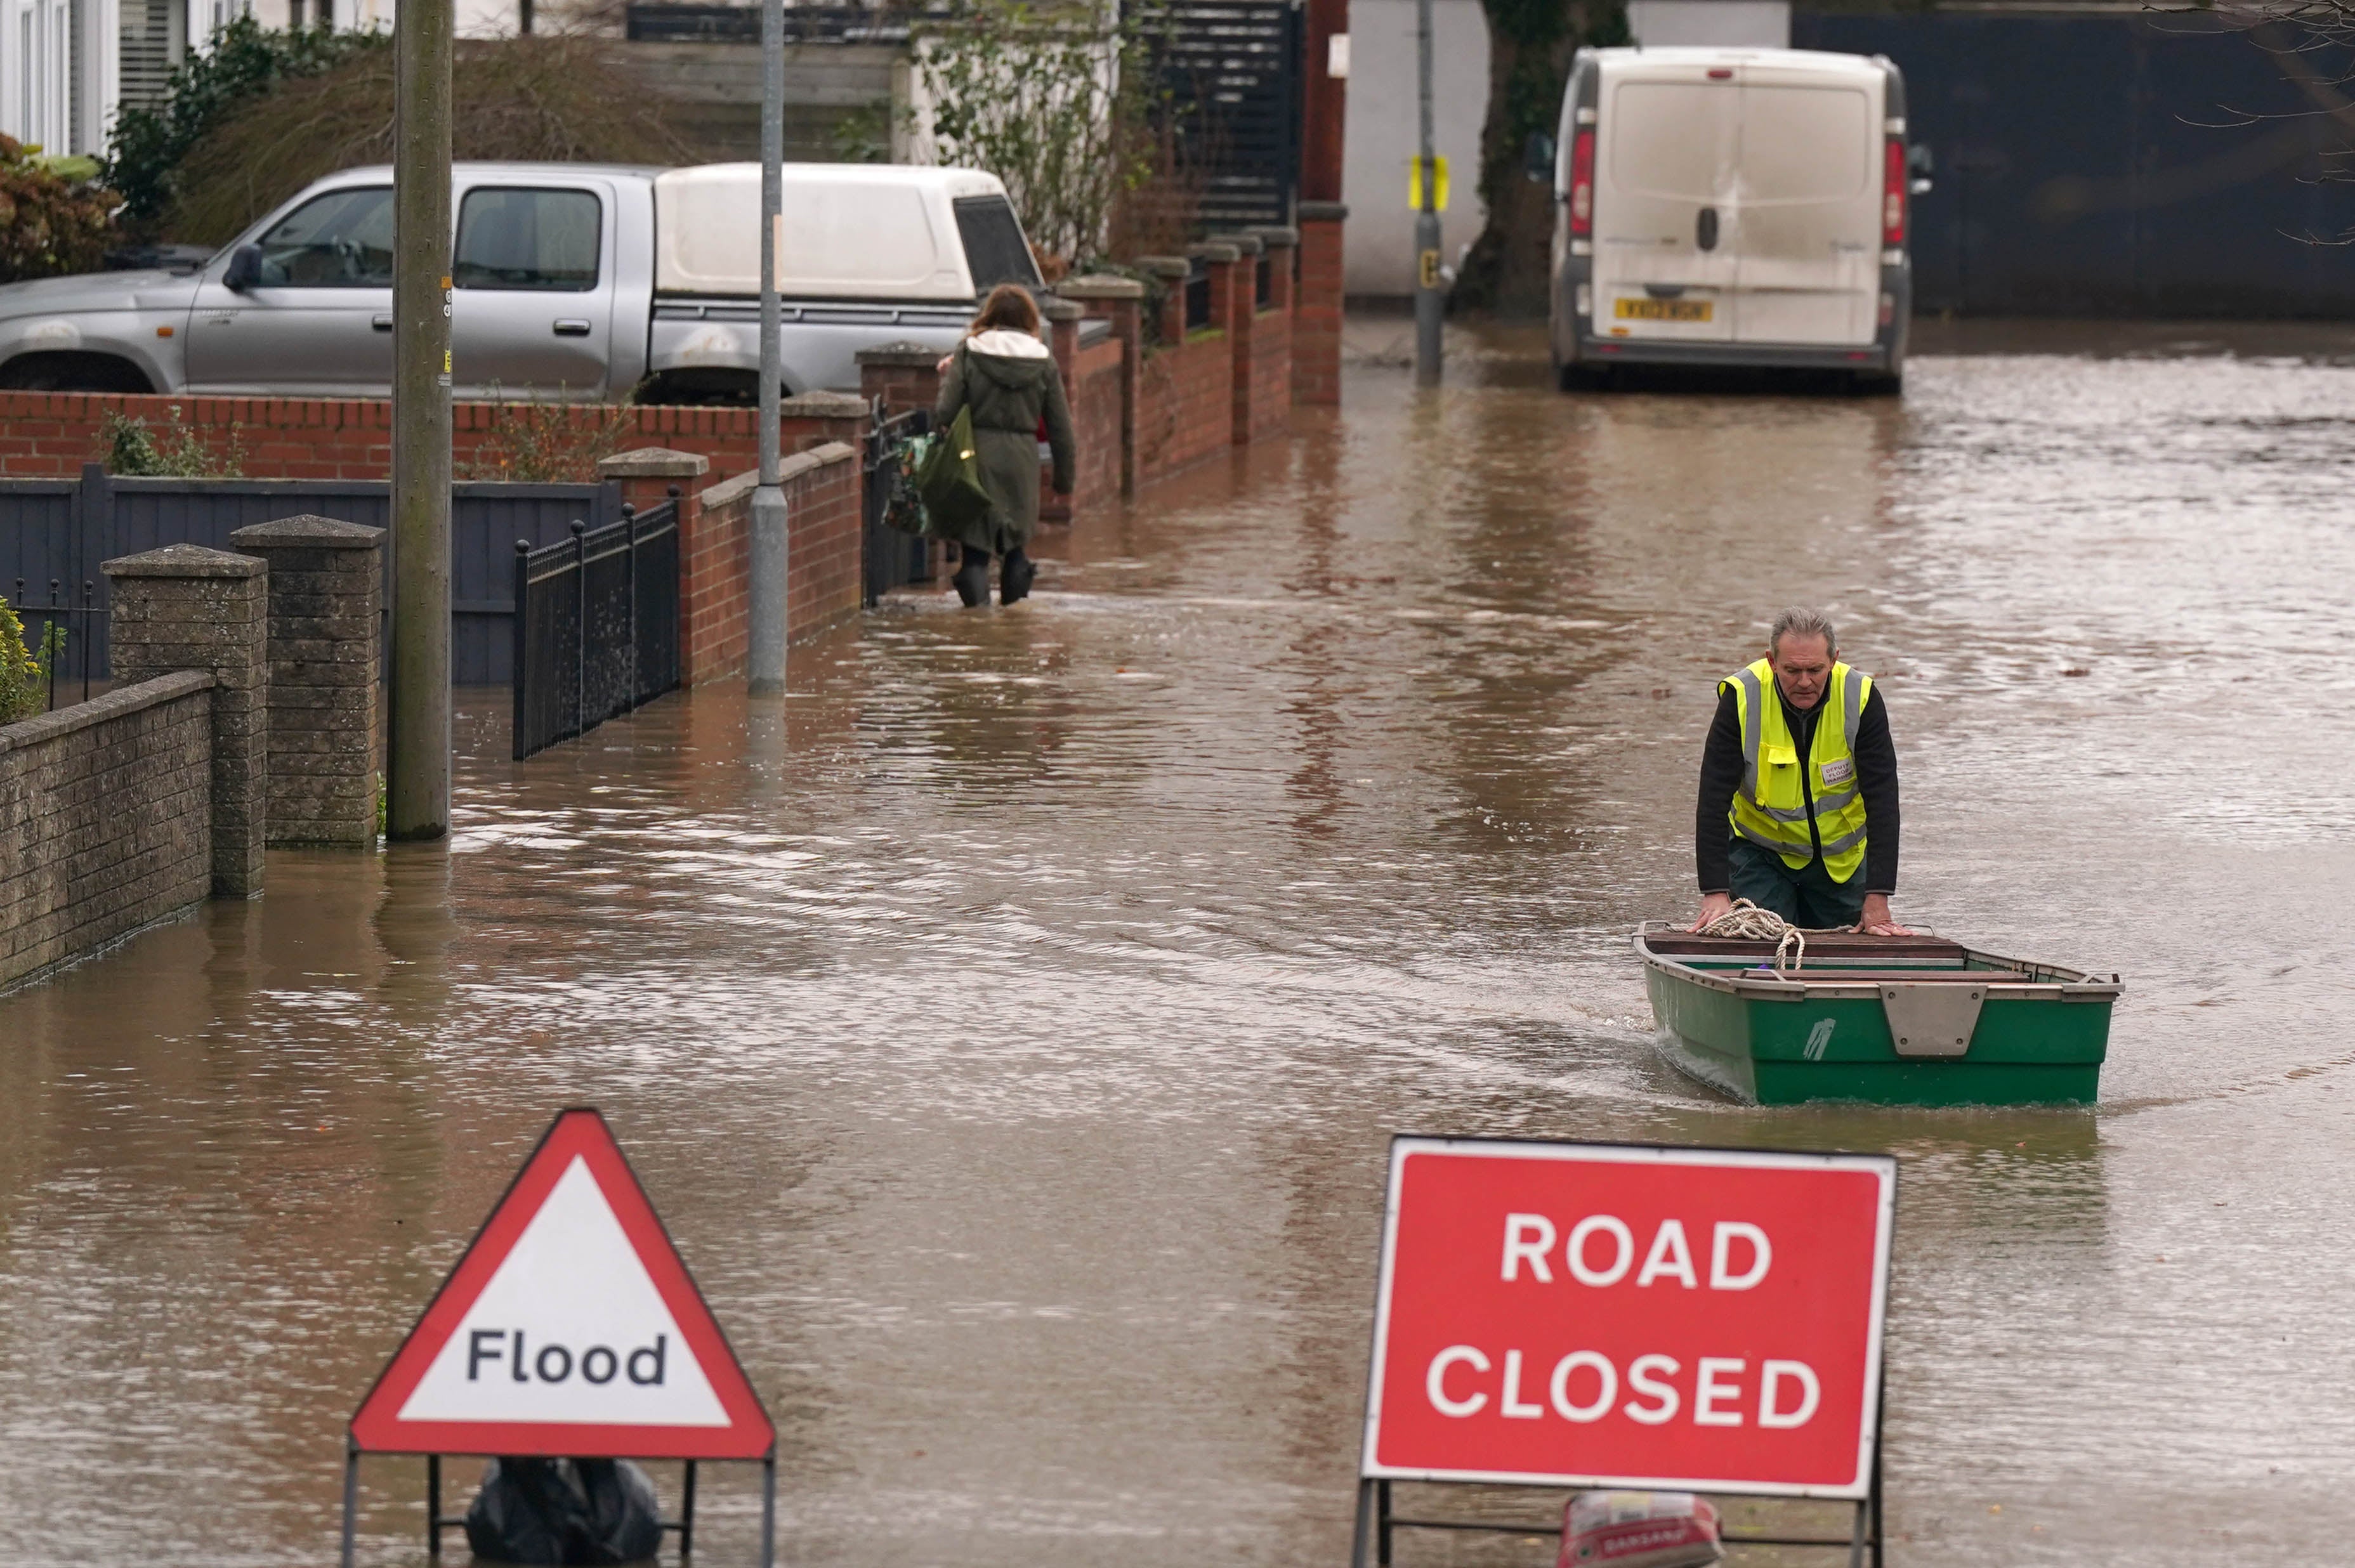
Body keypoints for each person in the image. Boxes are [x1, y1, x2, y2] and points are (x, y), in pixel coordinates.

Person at [1693, 608, 1910, 936]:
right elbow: (1712, 801)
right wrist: (1715, 893)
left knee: (1849, 954)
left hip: (1840, 865)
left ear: (1834, 660)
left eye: (1815, 670)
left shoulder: (1861, 698)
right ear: (1771, 661)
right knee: (1761, 946)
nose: (1805, 682)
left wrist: (1878, 897)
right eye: (1792, 670)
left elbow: (1883, 803)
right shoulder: (1742, 698)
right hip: (1760, 857)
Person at [931, 284, 1077, 608]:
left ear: (989, 314)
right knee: (1016, 548)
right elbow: (1061, 429)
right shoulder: (1044, 361)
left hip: (976, 456)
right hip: (1023, 462)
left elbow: (945, 412)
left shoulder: (969, 351)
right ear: (1029, 319)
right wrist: (1064, 481)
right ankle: (1014, 627)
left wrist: (950, 376)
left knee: (975, 549)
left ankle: (977, 625)